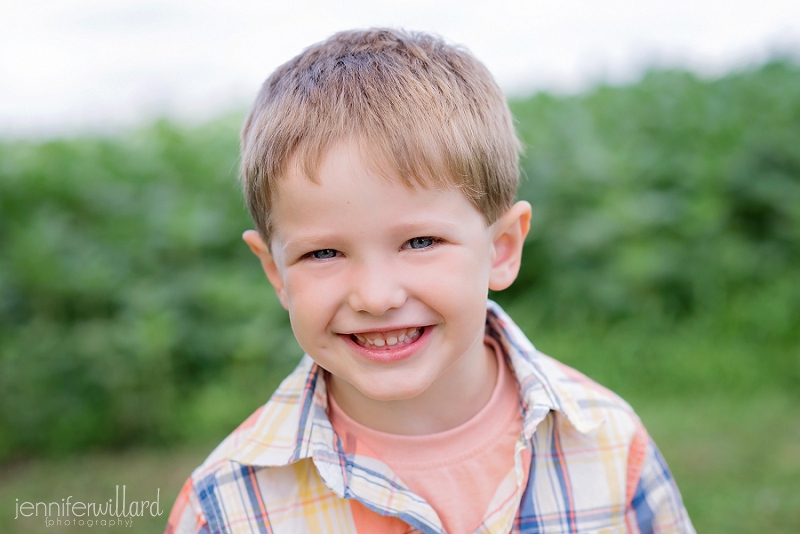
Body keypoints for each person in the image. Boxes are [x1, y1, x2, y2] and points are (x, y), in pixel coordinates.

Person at [165, 28, 695, 534]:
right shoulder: (227, 505)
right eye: (323, 252)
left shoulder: (606, 441)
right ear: (275, 272)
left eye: (420, 243)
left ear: (502, 249)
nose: (376, 297)